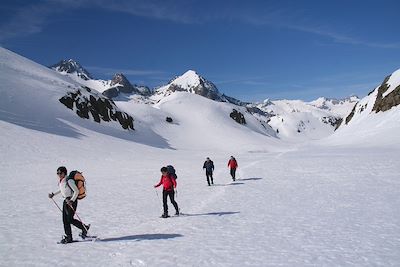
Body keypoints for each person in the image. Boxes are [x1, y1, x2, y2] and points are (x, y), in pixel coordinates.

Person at [48, 166, 89, 244]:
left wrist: (72, 200)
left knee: (69, 219)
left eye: (60, 173)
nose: (59, 174)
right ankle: (71, 235)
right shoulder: (62, 181)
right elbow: (62, 189)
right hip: (66, 201)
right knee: (65, 220)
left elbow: (76, 191)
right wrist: (53, 194)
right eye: (58, 173)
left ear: (64, 173)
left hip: (71, 201)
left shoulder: (69, 180)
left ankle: (78, 232)